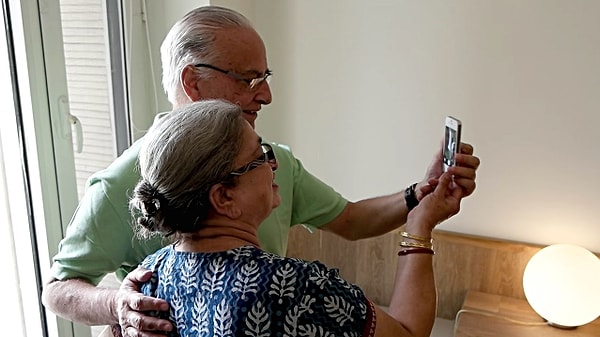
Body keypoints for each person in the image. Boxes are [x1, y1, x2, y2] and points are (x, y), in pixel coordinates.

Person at [41, 5, 480, 336]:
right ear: (193, 82)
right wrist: (119, 304)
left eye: (265, 77)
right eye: (248, 79)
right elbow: (57, 290)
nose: (266, 95)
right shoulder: (116, 186)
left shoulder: (270, 164)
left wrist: (417, 196)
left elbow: (349, 219)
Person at [131, 99, 463, 337]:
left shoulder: (149, 279)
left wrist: (415, 196)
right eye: (259, 156)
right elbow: (406, 333)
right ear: (224, 197)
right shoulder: (291, 288)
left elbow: (351, 217)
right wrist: (419, 226)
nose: (273, 164)